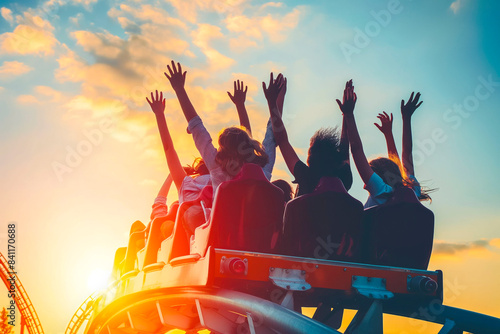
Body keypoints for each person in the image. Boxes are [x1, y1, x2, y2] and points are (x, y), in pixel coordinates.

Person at [164, 61, 270, 192]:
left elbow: (197, 127)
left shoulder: (216, 165)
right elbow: (245, 139)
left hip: (222, 213)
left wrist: (179, 89)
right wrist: (240, 106)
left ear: (223, 148)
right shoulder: (256, 171)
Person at [338, 81, 427, 208]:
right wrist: (404, 120)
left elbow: (357, 149)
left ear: (378, 176)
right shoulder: (413, 192)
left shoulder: (380, 191)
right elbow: (407, 153)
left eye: (369, 170)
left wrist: (349, 114)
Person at [263, 73, 352, 197]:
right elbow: (345, 149)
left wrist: (272, 102)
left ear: (311, 158)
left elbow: (282, 140)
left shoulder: (306, 177)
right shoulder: (344, 179)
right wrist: (348, 115)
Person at [373, 93, 432, 201]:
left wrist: (389, 134)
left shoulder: (380, 193)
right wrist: (406, 118)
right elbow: (405, 157)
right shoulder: (410, 192)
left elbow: (401, 163)